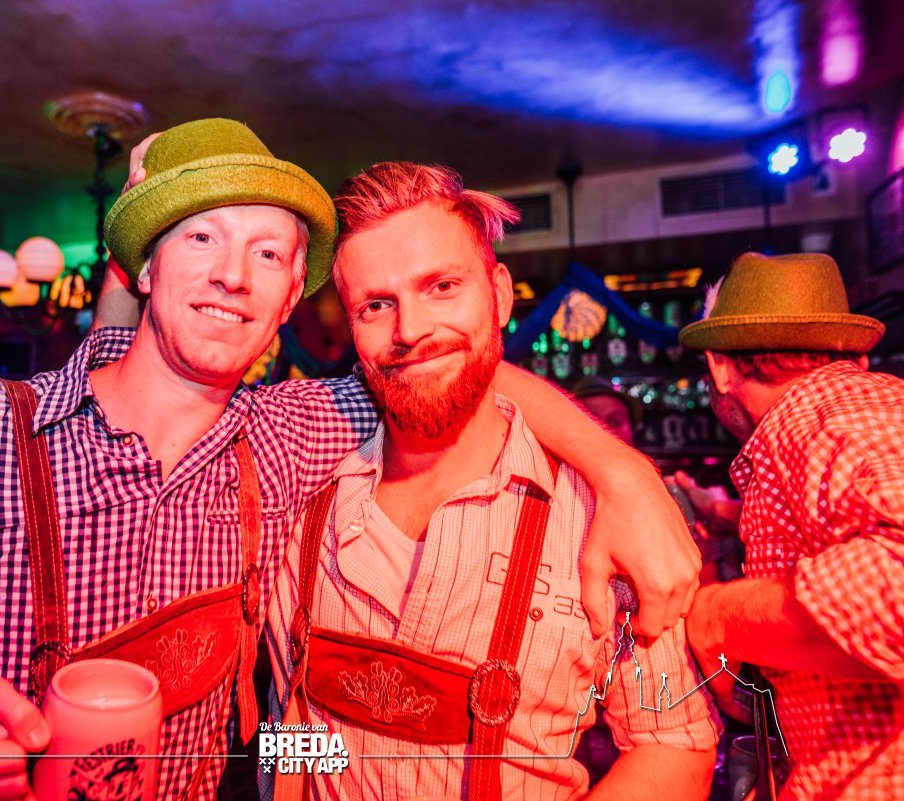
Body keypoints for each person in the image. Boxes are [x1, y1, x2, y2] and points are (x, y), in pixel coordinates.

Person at [0, 119, 697, 801]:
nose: (234, 273)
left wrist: (623, 473)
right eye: (201, 236)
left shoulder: (314, 447)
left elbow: (677, 744)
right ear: (144, 269)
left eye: (268, 254)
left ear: (289, 299)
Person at [266, 163, 719, 801]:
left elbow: (672, 741)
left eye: (442, 286)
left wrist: (624, 472)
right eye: (376, 305)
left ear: (500, 295)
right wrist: (285, 780)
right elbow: (290, 717)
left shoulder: (599, 522)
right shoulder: (297, 488)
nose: (410, 330)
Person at [680, 252, 904, 800]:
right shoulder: (856, 408)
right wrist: (729, 518)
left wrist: (719, 615)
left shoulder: (821, 420)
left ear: (720, 367)